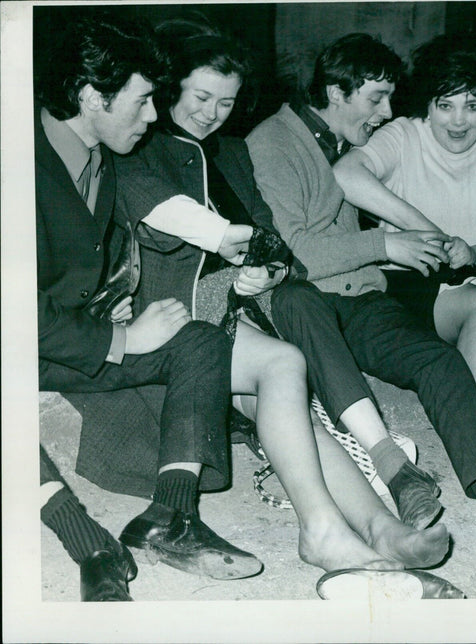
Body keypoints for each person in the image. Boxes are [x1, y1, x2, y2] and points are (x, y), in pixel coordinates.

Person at [246, 33, 476, 540]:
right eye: (376, 98)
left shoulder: (342, 140)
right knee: (310, 303)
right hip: (304, 299)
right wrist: (387, 244)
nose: (387, 111)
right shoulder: (273, 140)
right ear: (336, 92)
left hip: (360, 292)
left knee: (437, 359)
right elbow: (296, 252)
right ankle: (396, 470)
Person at [113, 17, 450, 575]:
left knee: (290, 409)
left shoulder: (232, 154)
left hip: (246, 306)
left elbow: (272, 238)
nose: (211, 113)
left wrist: (267, 271)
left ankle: (377, 526)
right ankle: (325, 529)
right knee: (285, 363)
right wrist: (230, 255)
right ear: (171, 89)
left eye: (226, 102)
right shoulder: (140, 148)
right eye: (201, 97)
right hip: (176, 308)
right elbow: (159, 222)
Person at [35, 13, 263, 602]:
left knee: (202, 340)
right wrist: (121, 341)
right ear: (91, 97)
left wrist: (117, 311)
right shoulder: (19, 161)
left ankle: (171, 516)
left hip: (67, 340)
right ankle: (88, 544)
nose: (155, 116)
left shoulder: (101, 158)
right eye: (141, 102)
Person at [334, 35, 476, 428]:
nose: (459, 121)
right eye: (446, 105)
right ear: (428, 103)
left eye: (473, 106)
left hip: (470, 278)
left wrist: (473, 253)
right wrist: (430, 233)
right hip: (404, 283)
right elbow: (345, 175)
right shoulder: (405, 134)